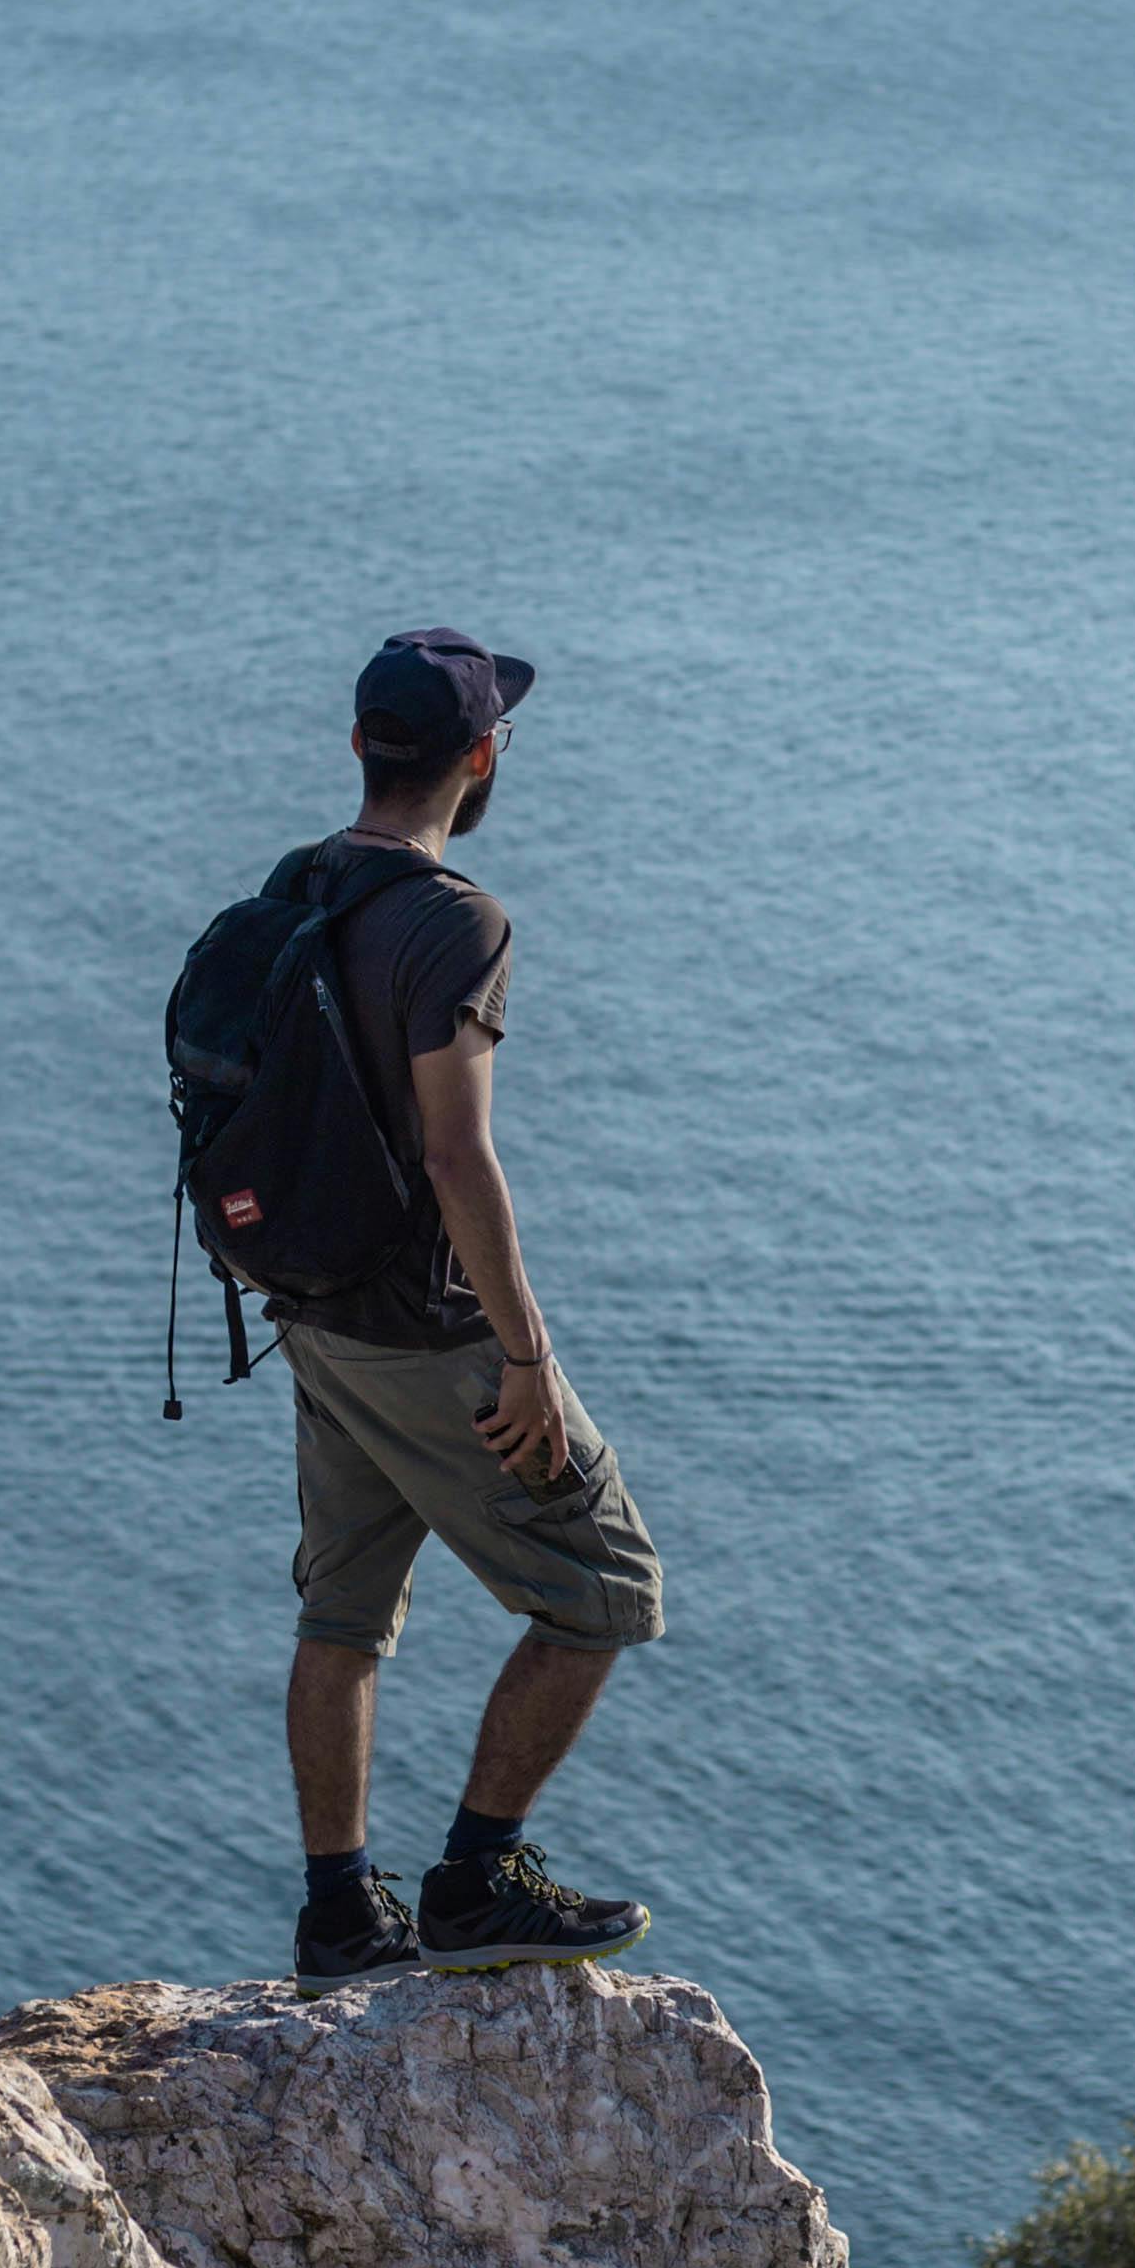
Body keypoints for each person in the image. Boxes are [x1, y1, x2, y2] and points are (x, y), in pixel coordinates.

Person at [263, 627, 663, 1994]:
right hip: (432, 1336)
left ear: (361, 745)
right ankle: (473, 1880)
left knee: (345, 1617)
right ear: (482, 757)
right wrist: (528, 1360)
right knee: (607, 1590)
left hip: (312, 1315)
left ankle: (336, 1915)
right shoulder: (457, 922)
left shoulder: (296, 887)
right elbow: (455, 1155)